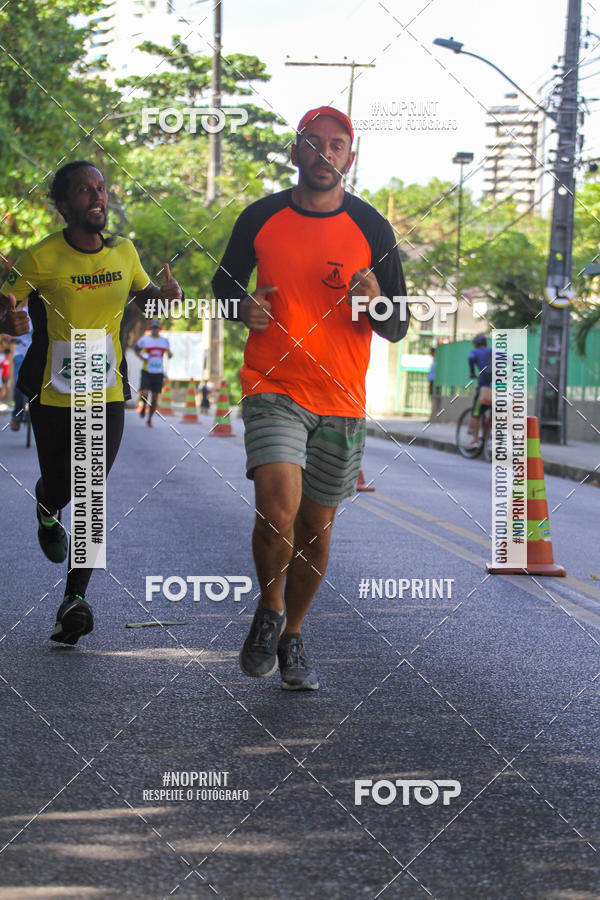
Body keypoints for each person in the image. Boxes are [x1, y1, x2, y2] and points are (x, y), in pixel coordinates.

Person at [213, 105, 409, 691]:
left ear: (351, 156)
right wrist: (242, 308)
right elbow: (223, 285)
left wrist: (376, 301)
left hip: (340, 397)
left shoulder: (372, 228)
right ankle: (270, 607)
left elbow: (397, 324)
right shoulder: (261, 216)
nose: (325, 154)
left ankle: (293, 634)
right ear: (295, 151)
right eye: (314, 142)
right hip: (272, 385)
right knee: (277, 513)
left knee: (316, 529)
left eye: (337, 145)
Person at [0, 160, 181, 644]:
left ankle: (74, 601)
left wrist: (165, 296)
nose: (97, 196)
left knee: (90, 492)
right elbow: (6, 306)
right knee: (61, 485)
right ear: (63, 206)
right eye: (84, 190)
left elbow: (144, 297)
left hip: (107, 392)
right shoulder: (42, 257)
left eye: (100, 187)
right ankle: (46, 505)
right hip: (52, 393)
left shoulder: (124, 251)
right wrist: (6, 322)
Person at [134, 318, 172, 427]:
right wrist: (142, 357)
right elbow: (136, 349)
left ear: (159, 329)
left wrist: (169, 354)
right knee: (145, 393)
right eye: (153, 328)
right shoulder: (145, 339)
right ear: (151, 329)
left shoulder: (164, 341)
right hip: (147, 371)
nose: (155, 330)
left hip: (158, 372)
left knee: (155, 398)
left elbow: (169, 353)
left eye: (157, 328)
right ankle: (143, 407)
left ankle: (149, 419)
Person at [9, 298, 33, 431]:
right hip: (20, 353)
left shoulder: (45, 315)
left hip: (35, 353)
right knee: (19, 382)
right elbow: (8, 334)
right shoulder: (21, 314)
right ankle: (16, 417)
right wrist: (10, 337)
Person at [467, 333, 492, 448]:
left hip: (484, 390)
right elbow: (511, 360)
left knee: (476, 413)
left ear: (476, 344)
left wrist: (472, 372)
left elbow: (470, 358)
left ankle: (476, 440)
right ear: (486, 343)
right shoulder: (493, 351)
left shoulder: (475, 352)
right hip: (499, 389)